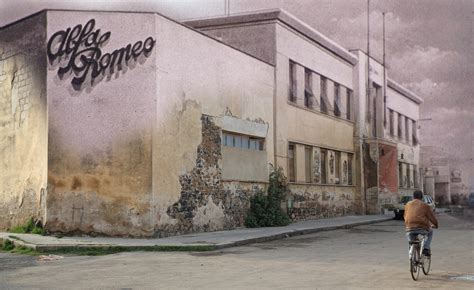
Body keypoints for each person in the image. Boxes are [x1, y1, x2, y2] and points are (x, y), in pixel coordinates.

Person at [404, 190, 438, 256]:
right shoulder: (425, 205)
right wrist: (435, 225)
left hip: (409, 228)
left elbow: (405, 216)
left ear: (413, 197)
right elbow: (432, 217)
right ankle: (426, 248)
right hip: (422, 227)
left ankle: (413, 257)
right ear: (422, 197)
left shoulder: (407, 204)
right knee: (430, 232)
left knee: (411, 242)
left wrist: (408, 225)